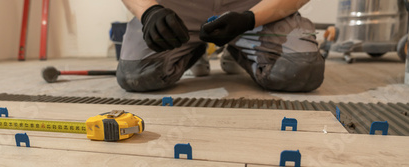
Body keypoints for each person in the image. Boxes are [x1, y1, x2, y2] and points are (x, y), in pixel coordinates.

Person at [117, 0, 324, 92]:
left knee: (301, 70)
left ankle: (238, 46)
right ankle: (195, 49)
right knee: (137, 75)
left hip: (254, 8)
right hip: (178, 10)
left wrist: (248, 19)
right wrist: (149, 11)